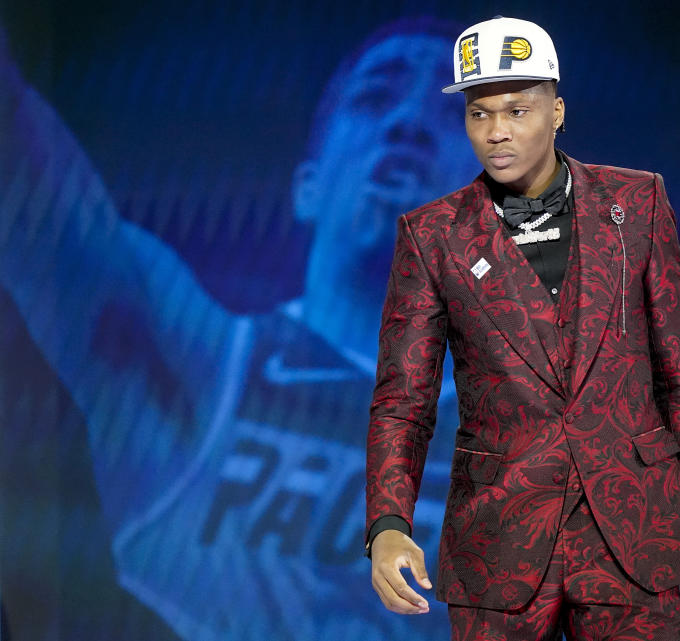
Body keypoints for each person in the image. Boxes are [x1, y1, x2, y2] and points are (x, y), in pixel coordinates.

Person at [0, 17, 472, 641]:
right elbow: (18, 160)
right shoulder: (197, 363)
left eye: (452, 113)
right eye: (376, 96)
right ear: (308, 188)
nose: (407, 123)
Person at [366, 16, 680, 640]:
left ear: (557, 111)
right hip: (499, 539)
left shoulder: (637, 205)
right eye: (478, 115)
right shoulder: (434, 236)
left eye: (516, 110)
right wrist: (387, 523)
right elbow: (404, 400)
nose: (496, 133)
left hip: (634, 530)